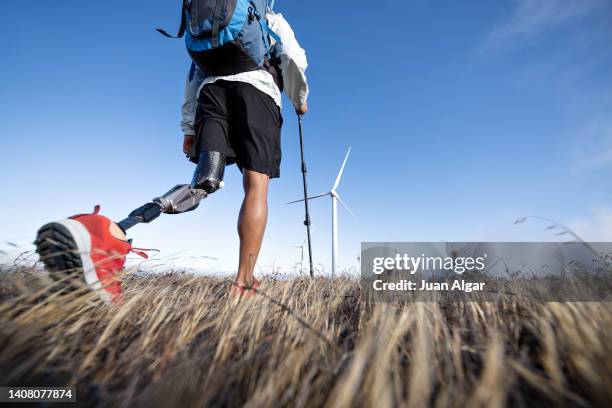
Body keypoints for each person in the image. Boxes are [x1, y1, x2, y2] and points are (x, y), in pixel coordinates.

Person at [35, 4, 309, 302]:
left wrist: (188, 128)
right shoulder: (269, 17)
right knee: (256, 187)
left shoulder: (208, 18)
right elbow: (292, 57)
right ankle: (243, 283)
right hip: (257, 91)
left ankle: (104, 234)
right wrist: (299, 98)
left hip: (211, 93)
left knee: (205, 181)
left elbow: (195, 72)